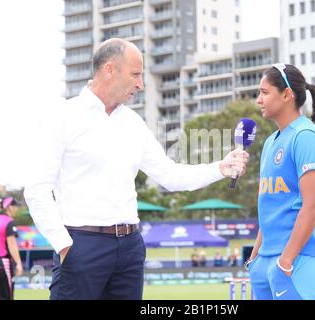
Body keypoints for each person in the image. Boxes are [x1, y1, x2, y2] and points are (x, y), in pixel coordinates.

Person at [23, 38, 249, 300]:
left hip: (130, 248)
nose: (140, 84)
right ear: (110, 70)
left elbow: (170, 175)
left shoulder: (133, 123)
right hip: (81, 245)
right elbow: (37, 189)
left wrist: (221, 167)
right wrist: (63, 245)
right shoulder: (64, 117)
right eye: (135, 74)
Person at [246, 63, 315, 300]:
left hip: (297, 259)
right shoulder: (269, 143)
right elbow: (270, 208)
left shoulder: (305, 137)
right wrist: (255, 257)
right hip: (266, 260)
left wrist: (286, 260)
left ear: (286, 95)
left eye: (264, 93)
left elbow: (313, 205)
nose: (258, 100)